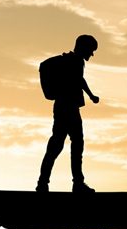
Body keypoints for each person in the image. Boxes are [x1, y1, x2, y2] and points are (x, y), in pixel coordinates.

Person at [37, 35, 100, 193]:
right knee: (73, 145)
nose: (91, 54)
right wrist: (91, 96)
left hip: (64, 107)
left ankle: (43, 183)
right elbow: (79, 81)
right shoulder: (76, 61)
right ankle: (76, 183)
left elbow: (80, 80)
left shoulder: (72, 61)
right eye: (91, 50)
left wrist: (91, 95)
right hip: (68, 108)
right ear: (83, 47)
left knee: (57, 145)